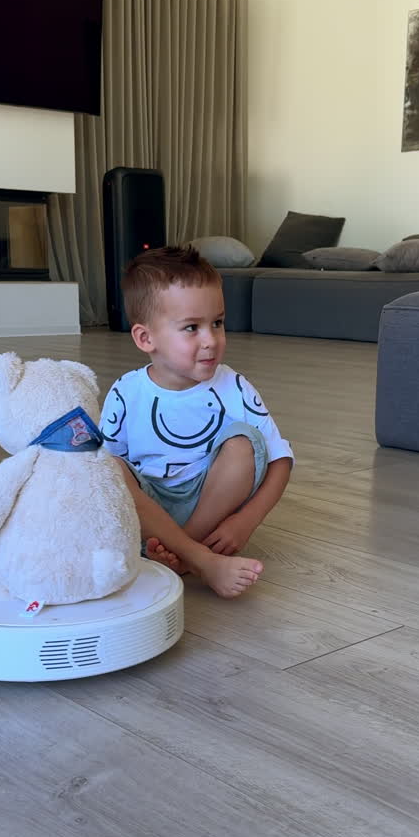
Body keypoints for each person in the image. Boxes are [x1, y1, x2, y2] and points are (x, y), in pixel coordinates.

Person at [100, 244, 294, 598]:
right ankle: (201, 559)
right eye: (192, 327)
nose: (211, 340)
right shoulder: (127, 392)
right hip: (149, 505)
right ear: (146, 338)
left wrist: (244, 522)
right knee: (104, 467)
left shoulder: (233, 386)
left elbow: (280, 460)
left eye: (217, 323)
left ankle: (183, 551)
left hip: (210, 502)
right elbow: (104, 476)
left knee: (244, 442)